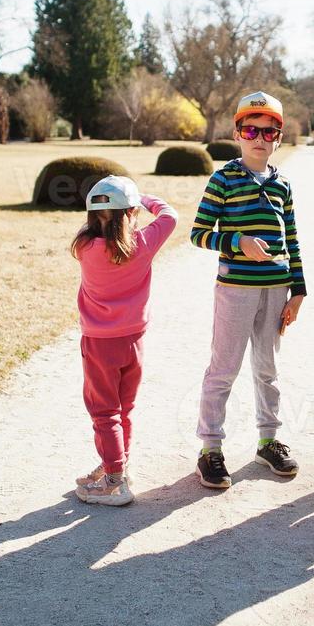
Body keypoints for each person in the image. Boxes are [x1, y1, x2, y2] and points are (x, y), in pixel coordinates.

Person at [189, 91, 306, 489]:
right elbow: (199, 234)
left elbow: (291, 239)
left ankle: (268, 441)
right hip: (236, 289)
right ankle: (210, 448)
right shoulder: (223, 179)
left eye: (268, 130)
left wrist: (299, 290)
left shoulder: (282, 185)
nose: (259, 137)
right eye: (250, 129)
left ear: (279, 136)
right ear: (237, 133)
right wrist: (237, 241)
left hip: (275, 291)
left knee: (267, 370)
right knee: (223, 369)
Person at [71, 175, 179, 506]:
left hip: (99, 343)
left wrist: (127, 204)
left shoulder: (84, 248)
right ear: (130, 213)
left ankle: (114, 482)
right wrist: (144, 198)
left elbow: (106, 234)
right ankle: (116, 465)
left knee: (104, 411)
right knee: (123, 408)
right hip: (133, 340)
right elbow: (170, 216)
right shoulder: (143, 244)